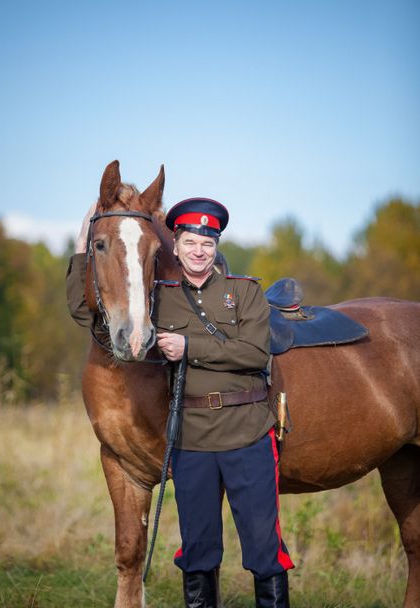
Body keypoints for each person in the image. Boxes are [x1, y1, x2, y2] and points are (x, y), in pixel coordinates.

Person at [67, 197, 293, 608]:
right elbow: (90, 309)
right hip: (193, 443)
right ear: (177, 245)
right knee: (198, 551)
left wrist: (190, 346)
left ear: (217, 245)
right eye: (189, 242)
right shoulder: (160, 300)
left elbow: (255, 353)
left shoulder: (244, 293)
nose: (198, 251)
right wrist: (84, 242)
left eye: (207, 243)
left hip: (246, 435)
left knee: (264, 549)